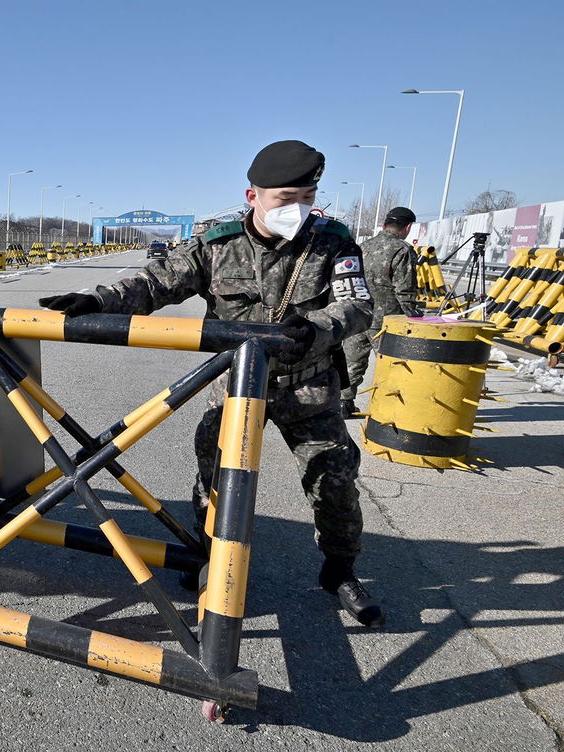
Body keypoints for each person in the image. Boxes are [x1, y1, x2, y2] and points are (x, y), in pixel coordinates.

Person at [38, 140, 385, 628]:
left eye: (307, 197)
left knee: (335, 480)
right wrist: (97, 302)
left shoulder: (333, 243)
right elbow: (156, 283)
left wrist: (317, 329)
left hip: (308, 385)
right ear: (252, 196)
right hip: (237, 387)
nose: (298, 209)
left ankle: (340, 570)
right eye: (285, 199)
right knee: (215, 478)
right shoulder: (218, 246)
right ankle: (207, 558)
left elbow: (358, 306)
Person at [341, 206, 422, 416]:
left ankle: (344, 404)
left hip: (358, 314)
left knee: (352, 361)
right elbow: (404, 287)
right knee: (393, 364)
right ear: (408, 227)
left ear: (385, 224)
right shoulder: (401, 250)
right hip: (387, 319)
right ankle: (389, 409)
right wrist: (412, 313)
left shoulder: (362, 246)